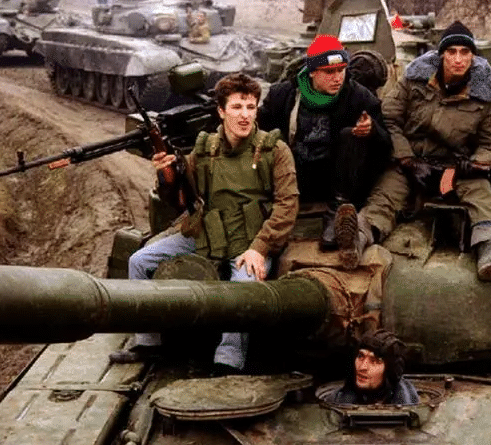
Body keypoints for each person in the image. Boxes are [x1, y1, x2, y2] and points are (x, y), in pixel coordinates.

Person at [109, 73, 299, 373]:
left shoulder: (274, 150)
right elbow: (180, 199)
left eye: (251, 107)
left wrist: (260, 248)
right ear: (221, 111)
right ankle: (147, 342)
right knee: (139, 261)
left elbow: (288, 205)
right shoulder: (205, 149)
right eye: (236, 107)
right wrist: (166, 176)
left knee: (243, 290)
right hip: (206, 234)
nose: (245, 115)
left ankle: (228, 361)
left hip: (249, 240)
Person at [355, 21, 491, 281]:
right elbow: (389, 119)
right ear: (442, 55)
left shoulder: (484, 94)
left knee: (482, 196)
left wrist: (474, 164)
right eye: (451, 52)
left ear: (473, 56)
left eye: (465, 52)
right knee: (385, 196)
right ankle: (358, 238)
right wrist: (407, 159)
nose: (458, 59)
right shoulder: (414, 81)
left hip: (453, 168)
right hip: (411, 162)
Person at [257, 34, 391, 269]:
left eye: (341, 70)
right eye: (329, 72)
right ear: (312, 72)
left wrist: (372, 131)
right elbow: (260, 129)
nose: (337, 78)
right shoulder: (283, 95)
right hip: (294, 174)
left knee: (351, 136)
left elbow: (386, 149)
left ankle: (337, 213)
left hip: (337, 178)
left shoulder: (359, 97)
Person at [324, 329, 419, 405]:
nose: (362, 367)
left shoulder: (409, 403)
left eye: (374, 361)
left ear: (389, 371)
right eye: (360, 356)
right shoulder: (335, 402)